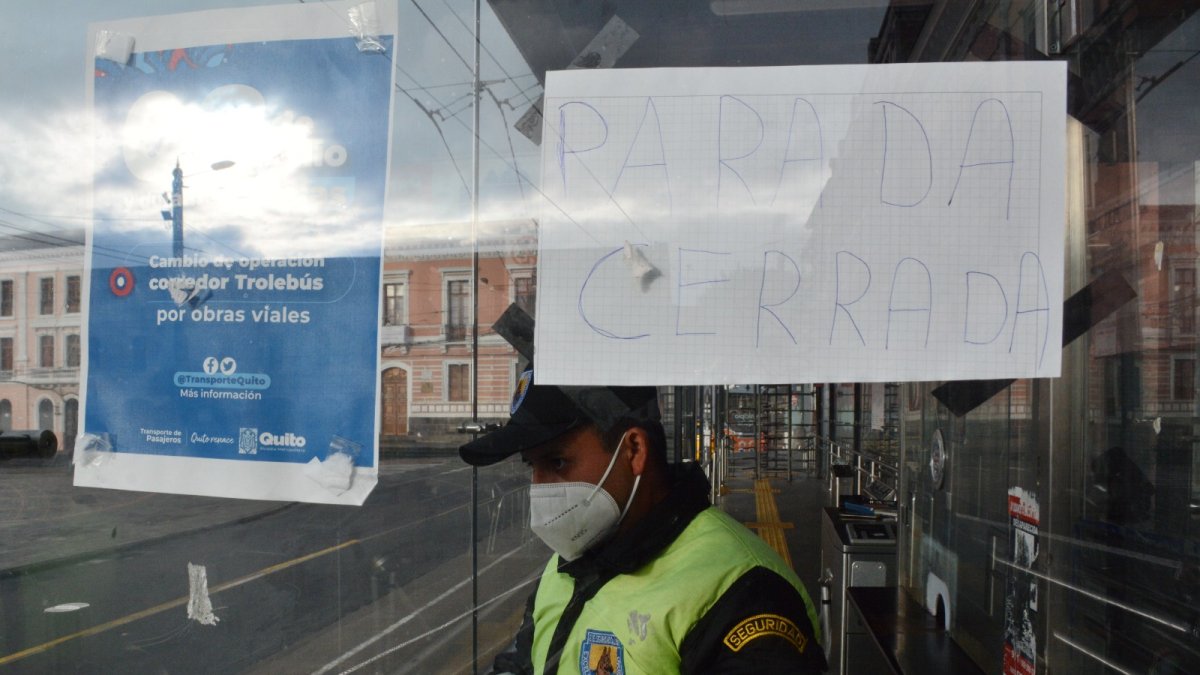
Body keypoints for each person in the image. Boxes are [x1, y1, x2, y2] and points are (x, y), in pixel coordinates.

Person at [460, 369, 827, 674]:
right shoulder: (572, 559)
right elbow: (526, 658)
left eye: (557, 463)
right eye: (532, 466)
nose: (539, 488)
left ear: (633, 450)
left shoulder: (746, 593)